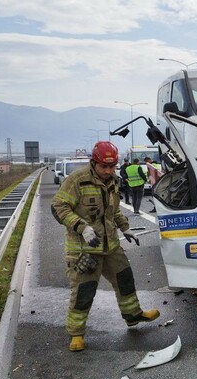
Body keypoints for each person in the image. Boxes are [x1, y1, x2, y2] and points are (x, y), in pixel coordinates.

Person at [51, 141, 160, 351]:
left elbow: (114, 211)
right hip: (84, 248)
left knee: (125, 278)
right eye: (104, 167)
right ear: (94, 163)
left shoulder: (113, 180)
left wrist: (125, 228)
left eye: (112, 167)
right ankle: (77, 334)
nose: (108, 171)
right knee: (84, 290)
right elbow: (58, 207)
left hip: (110, 245)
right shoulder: (77, 180)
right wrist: (82, 227)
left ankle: (133, 315)